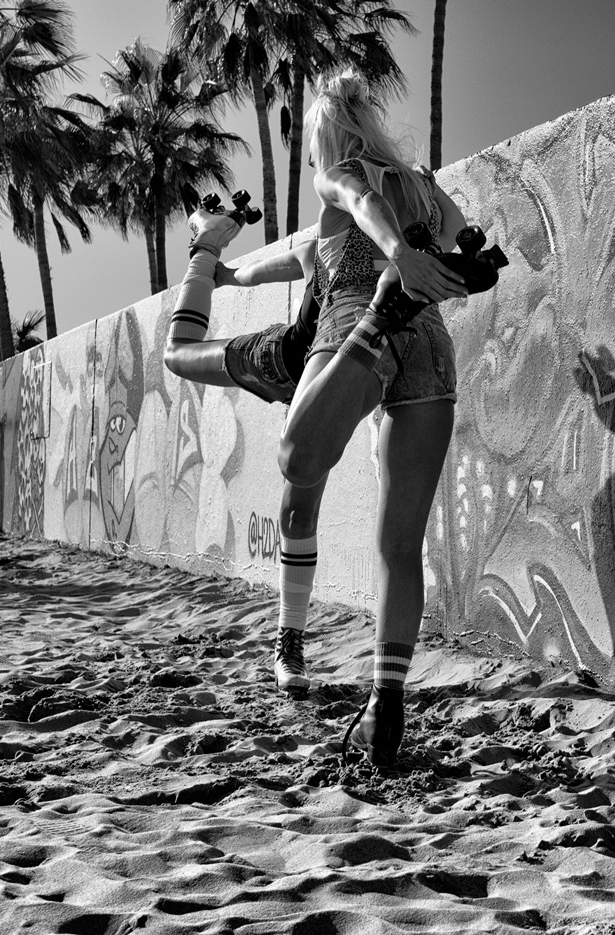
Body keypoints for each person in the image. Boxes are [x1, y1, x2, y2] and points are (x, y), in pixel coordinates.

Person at [276, 68, 471, 768]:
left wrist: (397, 257)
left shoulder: (342, 169)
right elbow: (464, 237)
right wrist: (454, 265)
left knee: (298, 459)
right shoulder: (420, 179)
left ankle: (371, 331)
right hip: (433, 342)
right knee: (400, 544)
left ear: (323, 133)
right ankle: (386, 708)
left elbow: (356, 199)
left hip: (366, 314)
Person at [163, 204, 325, 698]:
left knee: (300, 515)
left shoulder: (401, 257)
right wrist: (226, 272)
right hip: (286, 362)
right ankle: (288, 643)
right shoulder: (329, 247)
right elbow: (297, 254)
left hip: (363, 375)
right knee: (178, 353)